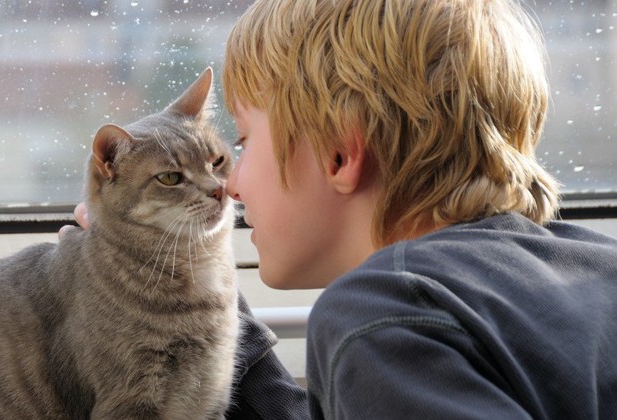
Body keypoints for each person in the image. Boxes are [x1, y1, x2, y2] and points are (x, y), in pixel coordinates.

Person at [63, 0, 617, 418]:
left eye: (244, 142)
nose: (229, 188)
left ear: (339, 155)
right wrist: (217, 316)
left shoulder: (386, 314)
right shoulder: (593, 266)